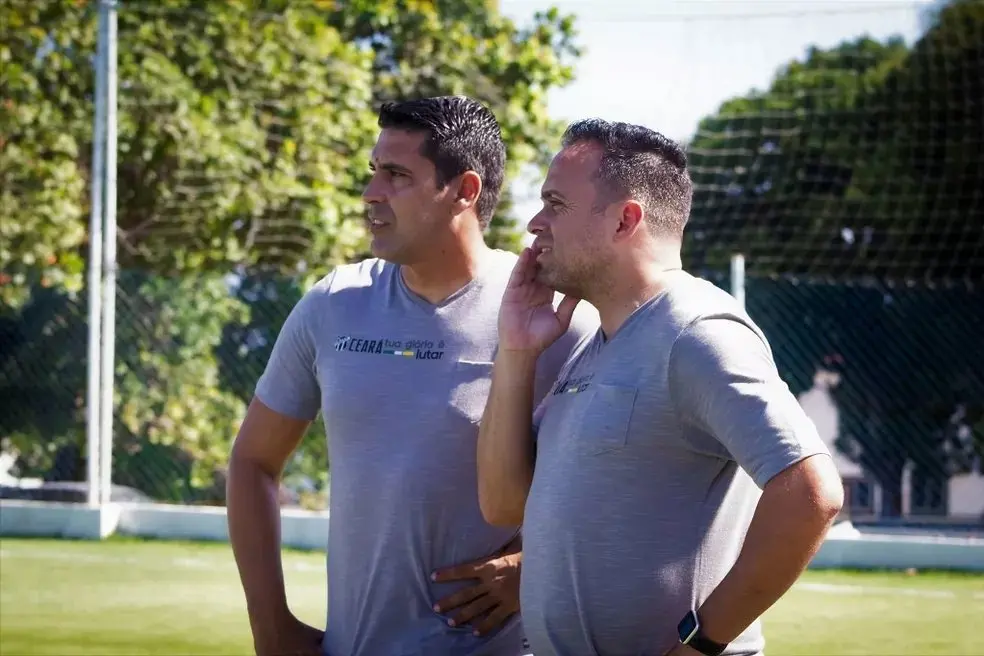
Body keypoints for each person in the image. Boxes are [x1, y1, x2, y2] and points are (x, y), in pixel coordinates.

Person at [226, 96, 598, 656]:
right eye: (373, 172)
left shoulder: (553, 315)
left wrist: (530, 563)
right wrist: (270, 625)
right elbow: (253, 462)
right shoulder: (333, 304)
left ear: (465, 191)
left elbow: (619, 484)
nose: (371, 193)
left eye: (397, 175)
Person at [476, 118, 845, 656]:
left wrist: (700, 645)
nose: (535, 223)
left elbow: (813, 494)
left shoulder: (698, 332)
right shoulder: (596, 341)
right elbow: (505, 504)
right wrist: (515, 351)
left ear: (626, 220)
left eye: (555, 203)